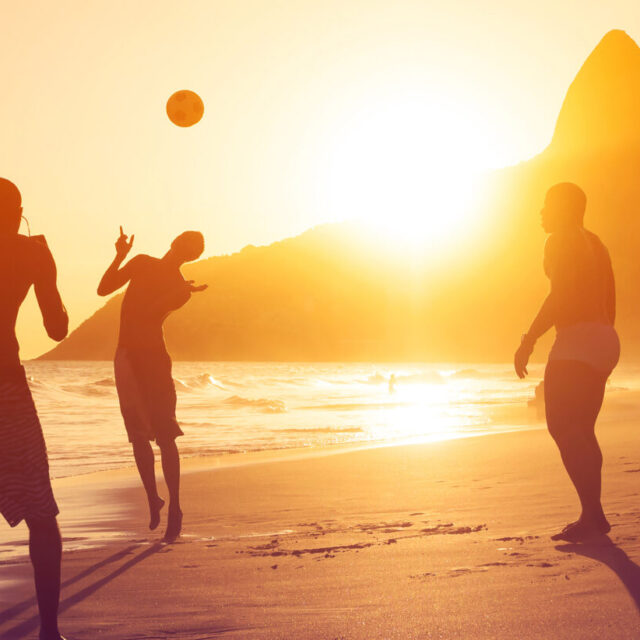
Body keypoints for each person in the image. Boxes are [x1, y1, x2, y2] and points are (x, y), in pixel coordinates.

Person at [514, 182, 619, 542]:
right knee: (582, 429)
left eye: (547, 205)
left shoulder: (560, 239)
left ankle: (592, 514)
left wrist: (528, 340)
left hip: (577, 340)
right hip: (603, 338)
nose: (541, 212)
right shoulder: (595, 242)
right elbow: (610, 296)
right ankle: (593, 514)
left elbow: (558, 295)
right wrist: (602, 340)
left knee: (562, 427)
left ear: (564, 208)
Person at [98, 227, 206, 542]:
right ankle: (153, 498)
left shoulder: (177, 287)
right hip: (127, 357)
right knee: (138, 436)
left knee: (165, 435)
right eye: (185, 245)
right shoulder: (146, 265)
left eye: (190, 250)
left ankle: (175, 508)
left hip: (153, 360)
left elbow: (147, 313)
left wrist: (175, 291)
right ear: (175, 243)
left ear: (190, 255)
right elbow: (104, 288)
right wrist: (120, 256)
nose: (184, 250)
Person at [0, 178, 69, 640]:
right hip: (6, 388)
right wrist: (46, 269)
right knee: (42, 517)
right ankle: (47, 632)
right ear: (19, 211)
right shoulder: (30, 253)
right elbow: (58, 328)